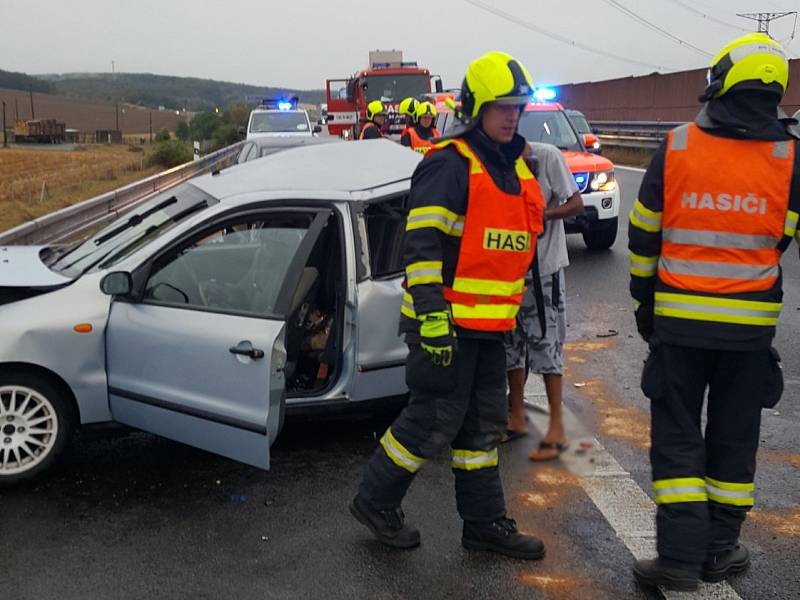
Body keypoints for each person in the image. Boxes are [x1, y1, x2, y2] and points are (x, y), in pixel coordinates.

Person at [350, 51, 547, 559]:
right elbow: (421, 248)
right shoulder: (449, 164)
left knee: (483, 426)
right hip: (445, 326)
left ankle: (482, 523)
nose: (511, 115)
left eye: (518, 107)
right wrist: (434, 318)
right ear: (475, 107)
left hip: (488, 328)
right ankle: (375, 501)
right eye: (502, 106)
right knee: (432, 419)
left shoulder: (514, 168)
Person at [629, 33, 799, 591]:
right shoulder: (790, 158)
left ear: (720, 82)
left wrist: (645, 309)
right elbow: (783, 241)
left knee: (677, 438)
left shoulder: (678, 146)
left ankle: (678, 560)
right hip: (749, 336)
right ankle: (719, 550)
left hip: (678, 328)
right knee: (734, 440)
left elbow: (643, 237)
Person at [503, 141, 584, 461]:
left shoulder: (547, 157)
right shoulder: (494, 161)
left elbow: (575, 203)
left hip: (544, 271)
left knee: (547, 344)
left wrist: (542, 215)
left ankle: (557, 428)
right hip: (509, 271)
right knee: (512, 346)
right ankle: (517, 416)